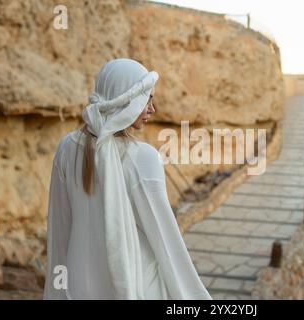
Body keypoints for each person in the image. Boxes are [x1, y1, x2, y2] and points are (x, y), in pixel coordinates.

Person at [43, 58, 212, 300]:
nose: (152, 109)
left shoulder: (67, 148)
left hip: (76, 285)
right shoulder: (142, 158)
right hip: (134, 284)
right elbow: (165, 240)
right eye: (146, 100)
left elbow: (59, 228)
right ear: (126, 101)